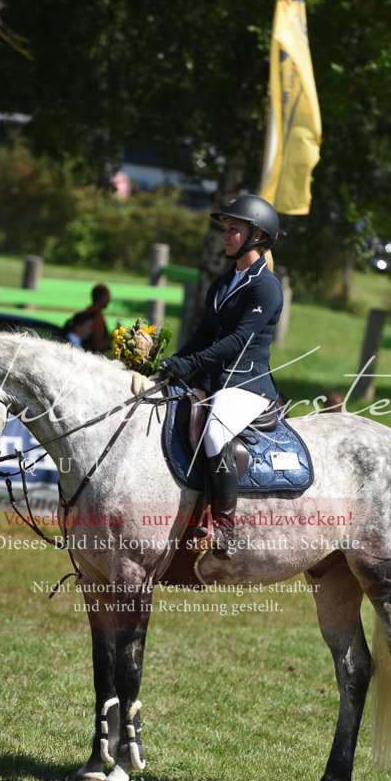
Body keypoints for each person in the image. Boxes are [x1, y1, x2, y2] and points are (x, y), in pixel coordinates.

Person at [160, 193, 282, 555]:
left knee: (214, 434)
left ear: (256, 236)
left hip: (247, 383)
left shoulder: (266, 286)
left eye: (233, 229)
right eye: (224, 229)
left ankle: (225, 528)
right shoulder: (221, 283)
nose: (225, 236)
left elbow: (238, 341)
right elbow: (202, 336)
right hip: (214, 380)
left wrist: (192, 365)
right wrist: (170, 364)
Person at [84, 283, 112, 353]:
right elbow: (97, 345)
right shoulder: (97, 317)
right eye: (108, 296)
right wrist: (113, 337)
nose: (109, 300)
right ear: (102, 297)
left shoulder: (88, 311)